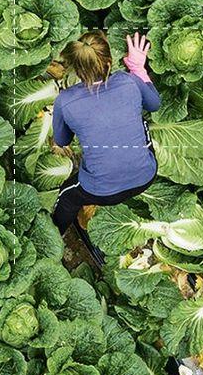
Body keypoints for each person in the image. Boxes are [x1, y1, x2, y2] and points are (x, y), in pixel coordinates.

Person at [50, 30, 159, 236]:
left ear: (76, 69)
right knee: (141, 123)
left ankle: (56, 236)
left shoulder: (65, 100)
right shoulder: (129, 80)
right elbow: (154, 104)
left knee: (67, 197)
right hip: (146, 177)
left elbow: (62, 140)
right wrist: (138, 68)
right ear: (109, 62)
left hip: (99, 192)